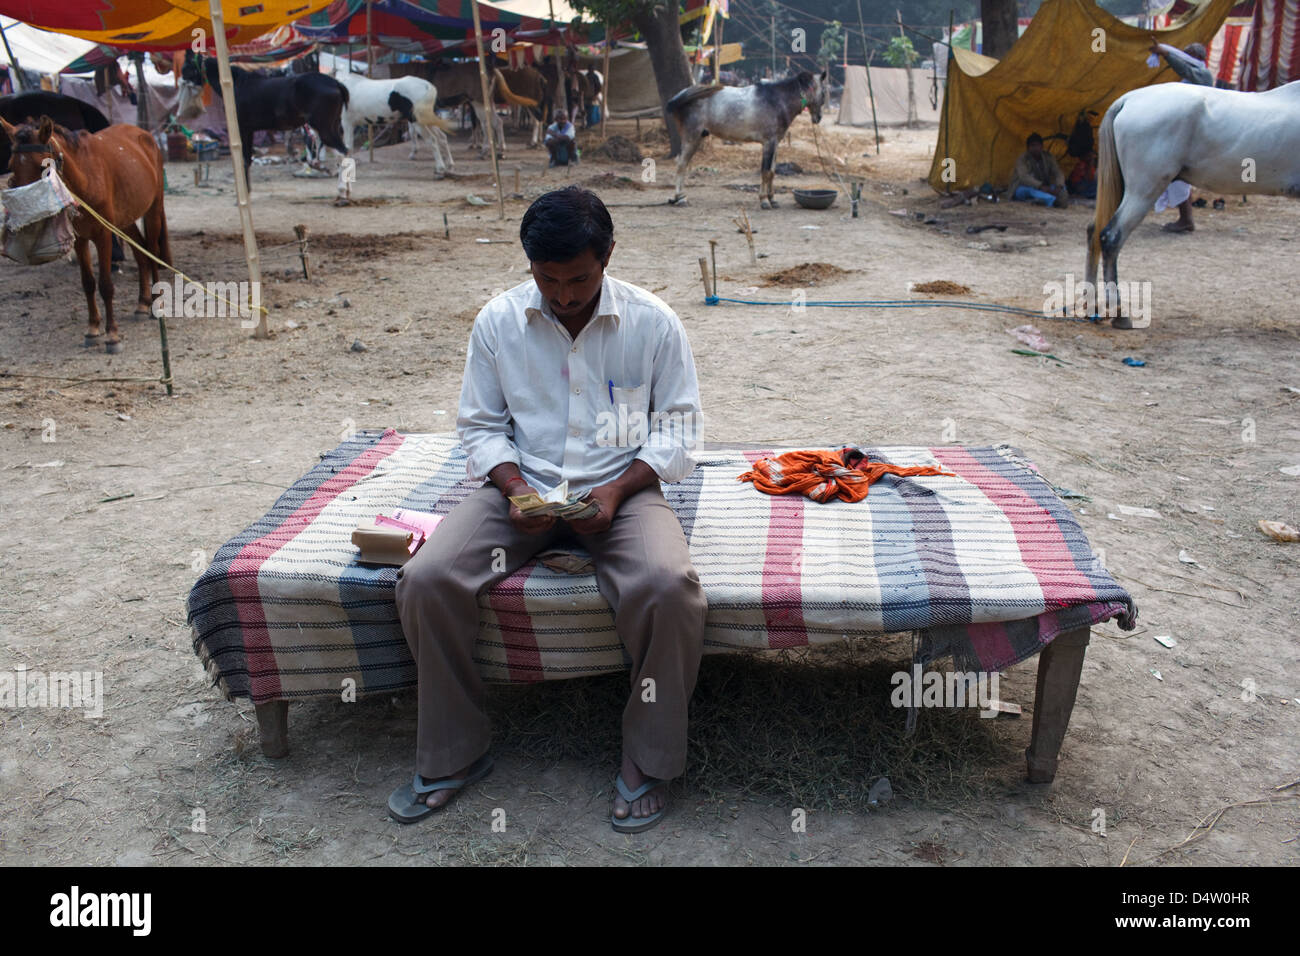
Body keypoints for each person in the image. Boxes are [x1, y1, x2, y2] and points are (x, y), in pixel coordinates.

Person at [389, 186, 707, 834]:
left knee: (668, 587)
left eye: (580, 279)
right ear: (529, 265)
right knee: (427, 580)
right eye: (548, 280)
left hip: (621, 487)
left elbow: (677, 431)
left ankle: (648, 758)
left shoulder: (653, 323)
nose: (563, 295)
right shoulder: (498, 322)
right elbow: (480, 428)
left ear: (609, 256)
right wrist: (512, 490)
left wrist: (617, 493)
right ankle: (454, 755)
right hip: (524, 488)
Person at [1149, 38, 1213, 232]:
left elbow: (1184, 70)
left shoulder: (1202, 75)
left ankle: (1186, 219)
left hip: (1196, 135)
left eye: (1188, 57)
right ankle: (1185, 218)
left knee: (1179, 175)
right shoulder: (1192, 77)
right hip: (1185, 134)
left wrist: (1166, 54)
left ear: (1197, 58)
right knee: (1177, 175)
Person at [1009, 132, 1069, 208]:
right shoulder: (1023, 159)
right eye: (1033, 146)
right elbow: (1024, 177)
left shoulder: (1048, 157)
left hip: (1044, 188)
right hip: (1024, 188)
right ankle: (1051, 200)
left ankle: (1047, 200)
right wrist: (1040, 186)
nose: (1035, 148)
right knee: (1031, 191)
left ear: (1042, 147)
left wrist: (1059, 186)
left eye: (1038, 145)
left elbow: (1058, 172)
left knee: (1062, 189)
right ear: (1028, 148)